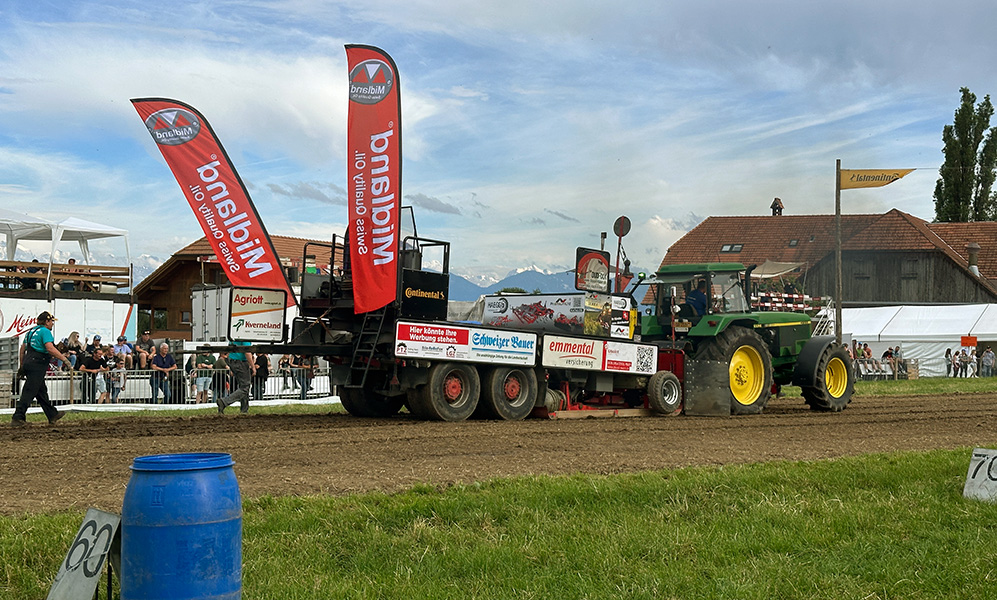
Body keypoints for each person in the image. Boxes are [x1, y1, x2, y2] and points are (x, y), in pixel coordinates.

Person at [11, 311, 69, 426]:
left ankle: (52, 414)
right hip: (38, 364)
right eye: (52, 321)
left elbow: (22, 349)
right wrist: (64, 359)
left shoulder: (31, 331)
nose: (52, 324)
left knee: (41, 391)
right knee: (29, 391)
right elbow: (50, 348)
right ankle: (18, 417)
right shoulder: (45, 332)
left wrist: (22, 366)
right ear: (46, 322)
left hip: (29, 361)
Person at [217, 342, 255, 414]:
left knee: (243, 386)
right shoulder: (245, 335)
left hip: (233, 360)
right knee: (245, 387)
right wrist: (253, 366)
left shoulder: (235, 334)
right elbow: (247, 351)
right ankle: (224, 402)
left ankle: (244, 410)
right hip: (240, 362)